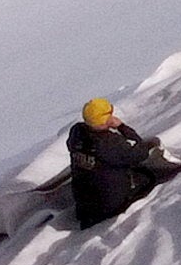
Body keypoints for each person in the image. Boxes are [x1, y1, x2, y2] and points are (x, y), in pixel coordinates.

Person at [66, 97, 175, 228]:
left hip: (84, 206)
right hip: (109, 207)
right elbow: (140, 152)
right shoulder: (110, 143)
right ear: (104, 119)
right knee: (148, 176)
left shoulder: (77, 132)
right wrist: (122, 127)